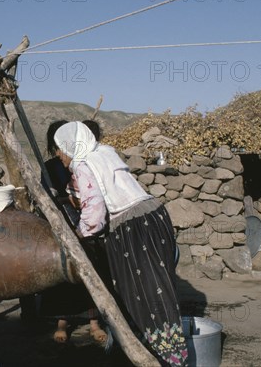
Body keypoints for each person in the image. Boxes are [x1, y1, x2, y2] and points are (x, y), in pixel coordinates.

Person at [53, 121, 188, 366]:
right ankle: (165, 353)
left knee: (145, 297)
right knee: (161, 290)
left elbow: (94, 214)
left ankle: (167, 359)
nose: (59, 155)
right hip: (154, 215)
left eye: (60, 149)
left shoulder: (83, 165)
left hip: (133, 229)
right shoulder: (105, 152)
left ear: (71, 147)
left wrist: (78, 233)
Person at [39, 120, 108, 345]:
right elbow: (45, 198)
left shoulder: (83, 163)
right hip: (61, 226)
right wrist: (65, 201)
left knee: (92, 271)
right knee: (61, 273)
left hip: (87, 226)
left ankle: (94, 321)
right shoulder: (49, 167)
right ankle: (62, 322)